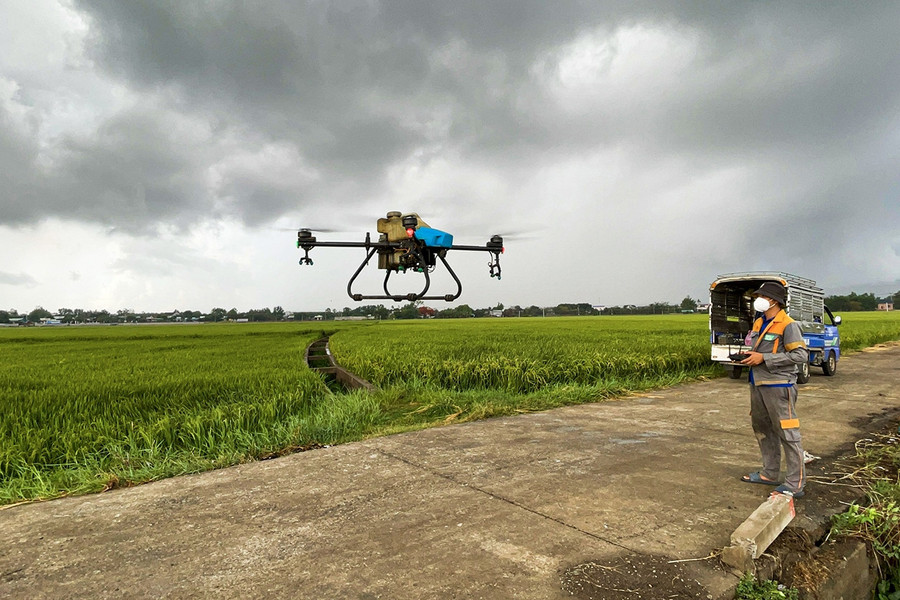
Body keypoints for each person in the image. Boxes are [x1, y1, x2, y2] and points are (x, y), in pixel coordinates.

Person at [738, 282, 809, 498]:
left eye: (761, 296)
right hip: (758, 383)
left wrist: (764, 358)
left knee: (787, 433)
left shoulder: (788, 325)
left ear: (774, 301)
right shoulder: (760, 322)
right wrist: (749, 356)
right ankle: (769, 473)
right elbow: (758, 348)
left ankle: (795, 482)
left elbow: (801, 356)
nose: (756, 299)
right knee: (762, 429)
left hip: (779, 386)